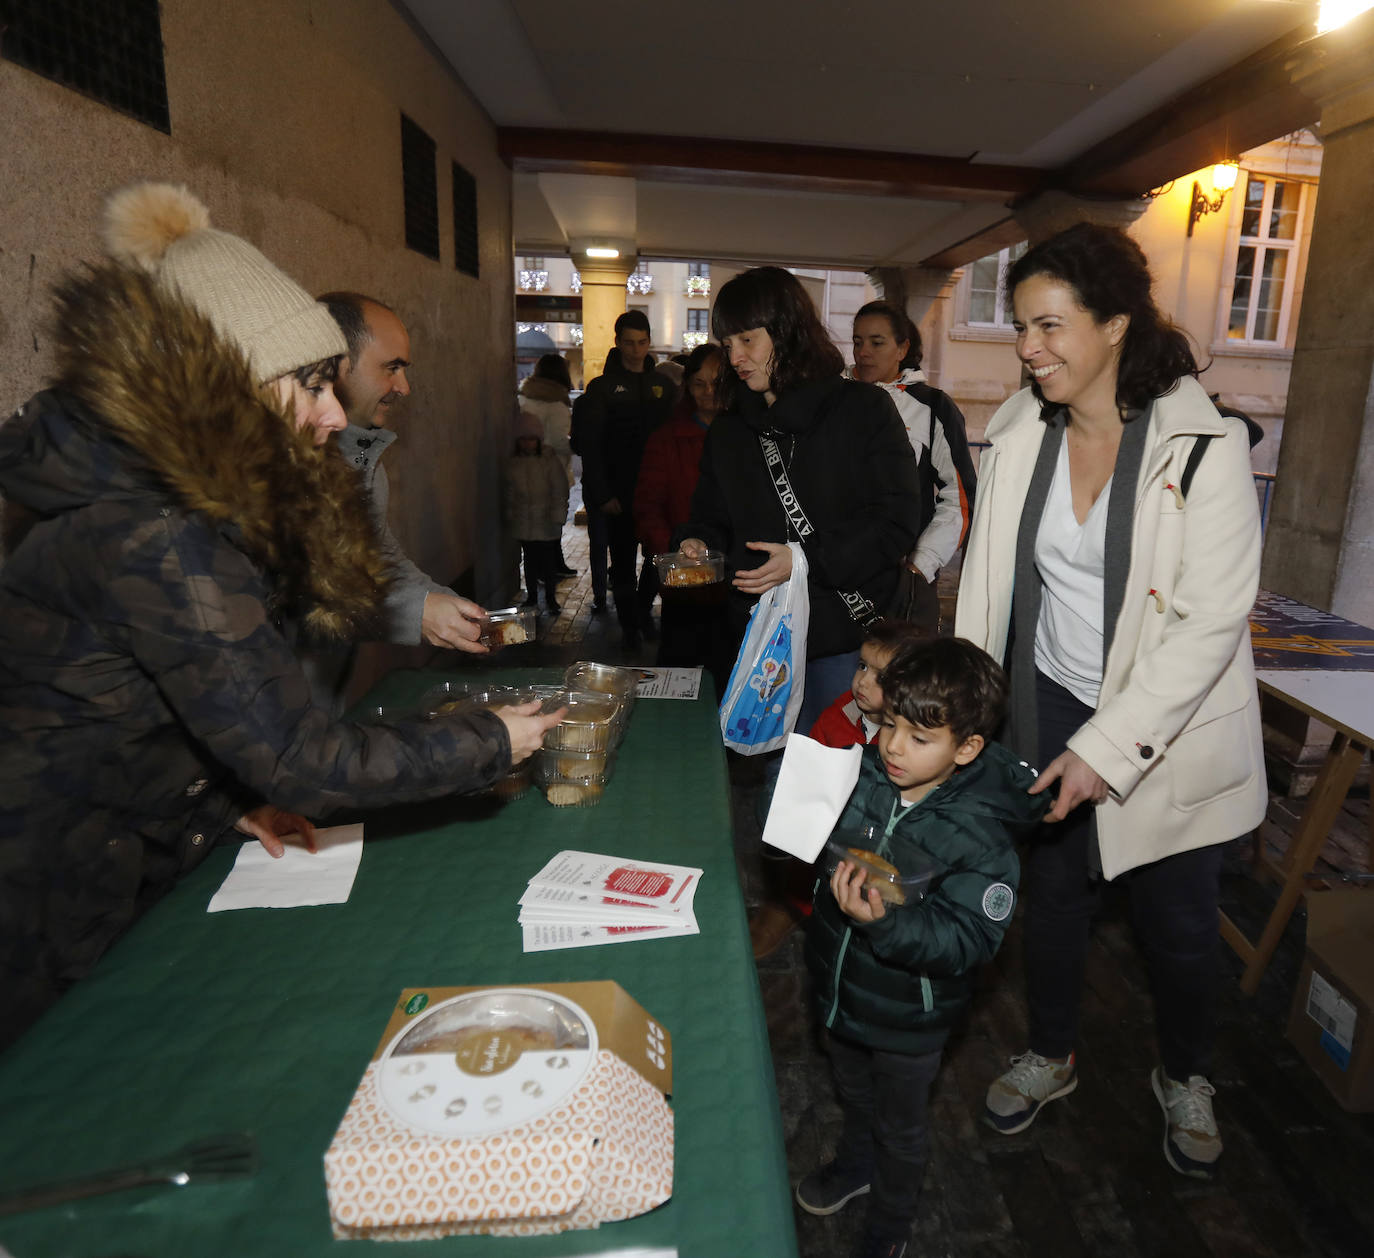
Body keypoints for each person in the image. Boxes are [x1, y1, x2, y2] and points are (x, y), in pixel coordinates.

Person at [0, 183, 563, 1048]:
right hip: (47, 884)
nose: (333, 415)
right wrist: (489, 739)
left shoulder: (166, 497)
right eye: (309, 385)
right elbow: (302, 758)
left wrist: (222, 807)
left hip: (116, 839)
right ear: (229, 383)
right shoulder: (156, 531)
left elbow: (133, 703)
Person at [954, 222, 1267, 1178]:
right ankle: (1052, 1053)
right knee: (1049, 902)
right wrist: (961, 707)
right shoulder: (1019, 434)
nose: (1027, 347)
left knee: (1178, 929)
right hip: (1049, 699)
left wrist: (1108, 746)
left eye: (1049, 326)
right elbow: (991, 589)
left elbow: (1209, 624)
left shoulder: (1204, 450)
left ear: (1118, 325)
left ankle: (1186, 1073)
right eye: (1019, 327)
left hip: (1166, 730)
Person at [678, 266, 921, 957]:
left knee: (842, 778)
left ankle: (852, 910)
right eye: (727, 344)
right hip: (763, 639)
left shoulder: (862, 411)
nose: (737, 357)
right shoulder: (732, 431)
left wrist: (807, 559)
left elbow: (900, 518)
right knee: (778, 778)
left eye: (749, 339)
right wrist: (693, 541)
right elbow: (711, 517)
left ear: (786, 331)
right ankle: (788, 900)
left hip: (844, 634)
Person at [799, 637, 1043, 1258]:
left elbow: (967, 940)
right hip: (840, 987)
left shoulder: (983, 840)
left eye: (919, 737)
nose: (894, 747)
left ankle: (891, 1224)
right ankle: (856, 1167)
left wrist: (884, 924)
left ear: (966, 748)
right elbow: (823, 841)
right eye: (890, 725)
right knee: (851, 1091)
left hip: (912, 1017)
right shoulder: (866, 775)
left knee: (901, 1128)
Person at [319, 292, 489, 655]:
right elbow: (299, 595)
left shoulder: (366, 458)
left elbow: (382, 561)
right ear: (336, 364)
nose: (404, 387)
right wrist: (418, 611)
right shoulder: (284, 463)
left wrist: (458, 612)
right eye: (391, 368)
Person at [848, 300, 977, 633]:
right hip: (840, 574)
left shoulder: (933, 407)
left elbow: (960, 496)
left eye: (877, 343)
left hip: (904, 579)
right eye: (857, 341)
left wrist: (922, 564)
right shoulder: (836, 400)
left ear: (902, 348)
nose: (864, 352)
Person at [632, 342, 731, 692]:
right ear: (687, 386)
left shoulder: (747, 437)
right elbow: (648, 506)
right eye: (699, 383)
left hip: (737, 584)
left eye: (717, 383)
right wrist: (674, 561)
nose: (708, 393)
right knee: (678, 677)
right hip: (684, 583)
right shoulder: (667, 439)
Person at [574, 310, 676, 648]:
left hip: (655, 492)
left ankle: (643, 613)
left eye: (642, 342)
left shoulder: (662, 385)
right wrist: (602, 494)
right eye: (629, 343)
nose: (636, 350)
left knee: (657, 557)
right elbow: (590, 445)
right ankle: (630, 625)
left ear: (649, 342)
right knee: (621, 564)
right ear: (618, 343)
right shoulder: (601, 389)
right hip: (618, 493)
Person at [809, 619, 929, 750]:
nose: (863, 681)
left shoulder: (910, 742)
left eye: (881, 677)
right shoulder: (833, 718)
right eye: (863, 666)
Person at [504, 413, 570, 615]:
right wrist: (510, 514)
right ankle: (532, 595)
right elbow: (509, 493)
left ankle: (550, 597)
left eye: (531, 439)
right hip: (524, 521)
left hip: (546, 520)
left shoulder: (549, 462)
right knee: (530, 561)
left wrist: (558, 515)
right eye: (524, 439)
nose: (528, 443)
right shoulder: (514, 463)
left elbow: (559, 490)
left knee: (549, 562)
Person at [517, 352, 577, 578]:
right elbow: (561, 442)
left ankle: (548, 565)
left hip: (526, 468)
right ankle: (550, 566)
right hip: (552, 471)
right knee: (553, 519)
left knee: (534, 521)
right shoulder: (557, 404)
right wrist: (576, 445)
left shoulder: (525, 398)